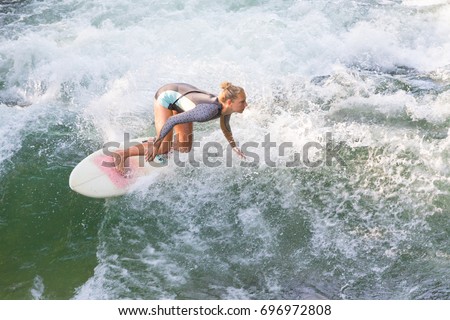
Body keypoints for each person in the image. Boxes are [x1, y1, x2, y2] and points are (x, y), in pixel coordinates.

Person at [113, 82, 248, 174]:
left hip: (181, 100)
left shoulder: (225, 108)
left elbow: (225, 126)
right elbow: (172, 120)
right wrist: (157, 145)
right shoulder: (206, 112)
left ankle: (157, 142)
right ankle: (121, 154)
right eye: (242, 102)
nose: (245, 104)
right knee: (162, 148)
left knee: (184, 147)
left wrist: (234, 146)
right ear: (230, 102)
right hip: (167, 97)